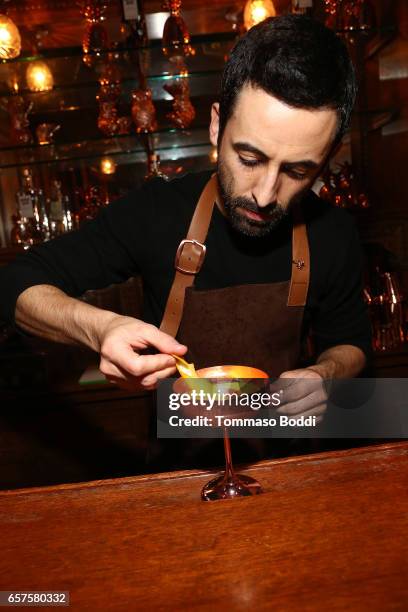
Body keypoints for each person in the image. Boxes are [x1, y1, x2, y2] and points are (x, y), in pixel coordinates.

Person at [0, 15, 370, 431]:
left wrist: (327, 374)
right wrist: (100, 329)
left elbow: (351, 342)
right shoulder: (156, 211)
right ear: (216, 125)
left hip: (288, 455)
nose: (265, 195)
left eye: (299, 171)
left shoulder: (332, 232)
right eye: (249, 159)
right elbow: (16, 284)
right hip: (179, 466)